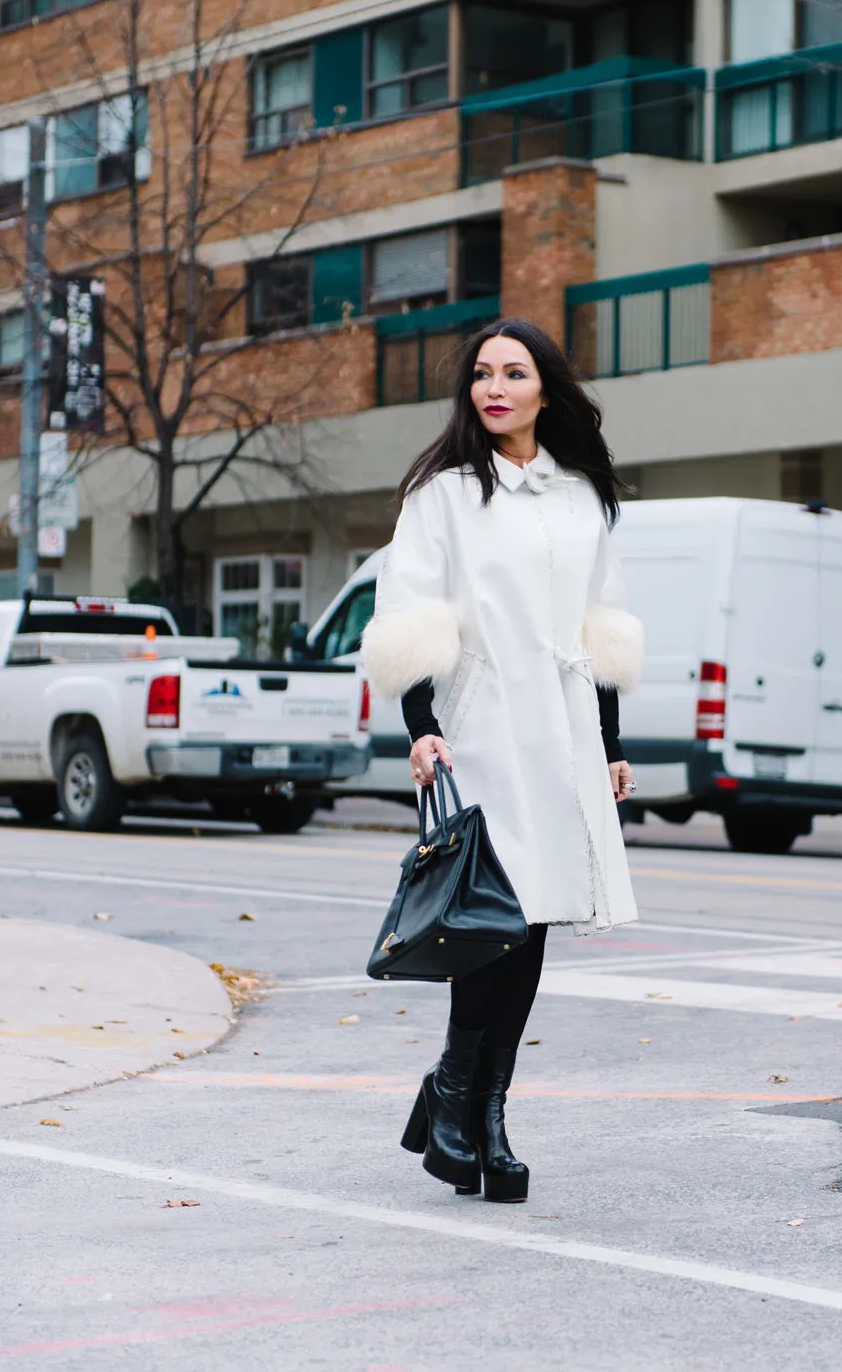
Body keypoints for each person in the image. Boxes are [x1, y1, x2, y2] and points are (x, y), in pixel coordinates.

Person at [361, 318, 642, 1204]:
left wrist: (612, 741)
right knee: (492, 917)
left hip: (562, 726)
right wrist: (420, 723)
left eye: (513, 374)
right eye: (482, 374)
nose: (493, 387)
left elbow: (601, 625)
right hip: (479, 722)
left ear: (546, 392)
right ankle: (456, 1092)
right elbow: (411, 613)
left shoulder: (584, 496)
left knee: (537, 919)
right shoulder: (441, 493)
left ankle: (481, 1112)